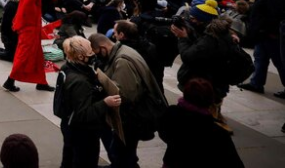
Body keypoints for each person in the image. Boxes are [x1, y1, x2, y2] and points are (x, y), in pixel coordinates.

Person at [88, 33, 167, 168]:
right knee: (123, 150)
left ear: (103, 47)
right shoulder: (124, 50)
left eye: (97, 53)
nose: (98, 57)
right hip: (134, 114)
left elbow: (124, 94)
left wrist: (102, 85)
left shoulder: (122, 60)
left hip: (132, 116)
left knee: (122, 152)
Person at [54, 36, 121, 168]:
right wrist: (105, 102)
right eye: (90, 52)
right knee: (85, 160)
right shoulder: (80, 82)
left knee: (69, 157)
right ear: (80, 57)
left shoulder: (67, 67)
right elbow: (84, 113)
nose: (93, 54)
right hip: (83, 132)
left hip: (69, 125)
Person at [158, 78, 244, 168]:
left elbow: (163, 134)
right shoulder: (217, 133)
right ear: (210, 101)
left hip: (172, 162)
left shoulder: (171, 114)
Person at [5, 0, 54, 92]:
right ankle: (10, 80)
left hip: (33, 34)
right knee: (22, 58)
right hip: (28, 34)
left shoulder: (32, 1)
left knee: (38, 59)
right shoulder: (28, 1)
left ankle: (41, 82)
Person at [239, 0, 285, 96]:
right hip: (261, 36)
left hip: (271, 36)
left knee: (280, 62)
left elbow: (276, 16)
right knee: (260, 59)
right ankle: (256, 83)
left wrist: (268, 31)